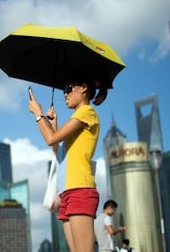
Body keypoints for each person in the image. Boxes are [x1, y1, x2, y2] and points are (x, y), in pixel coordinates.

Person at [28, 79, 107, 252]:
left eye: (68, 88)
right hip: (67, 194)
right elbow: (59, 154)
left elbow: (50, 140)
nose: (65, 93)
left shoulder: (87, 112)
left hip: (80, 190)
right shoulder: (77, 119)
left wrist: (38, 114)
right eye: (64, 89)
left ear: (84, 88)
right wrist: (52, 125)